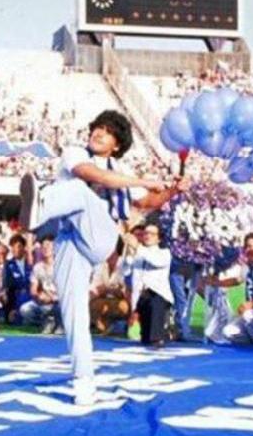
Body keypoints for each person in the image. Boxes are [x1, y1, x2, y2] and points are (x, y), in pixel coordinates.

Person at [18, 110, 187, 405]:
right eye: (96, 127)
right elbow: (91, 174)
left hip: (102, 235)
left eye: (107, 131)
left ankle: (38, 210)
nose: (98, 133)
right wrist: (145, 182)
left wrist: (173, 189)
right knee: (74, 313)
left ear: (117, 144)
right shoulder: (75, 153)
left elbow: (147, 203)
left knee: (78, 193)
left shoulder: (120, 169)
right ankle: (84, 382)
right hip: (69, 238)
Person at [126, 223, 174, 347]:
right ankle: (152, 333)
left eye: (152, 234)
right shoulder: (138, 253)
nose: (147, 236)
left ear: (159, 238)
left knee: (155, 300)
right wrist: (128, 253)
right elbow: (126, 271)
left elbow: (155, 261)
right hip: (141, 298)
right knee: (145, 338)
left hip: (158, 295)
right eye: (145, 233)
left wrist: (137, 247)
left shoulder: (164, 253)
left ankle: (160, 335)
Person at [20, 235, 62, 333]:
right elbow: (33, 290)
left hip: (59, 301)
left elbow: (68, 290)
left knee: (61, 307)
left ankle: (59, 323)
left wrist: (53, 298)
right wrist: (39, 296)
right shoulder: (37, 267)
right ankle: (46, 321)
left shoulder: (61, 266)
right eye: (43, 246)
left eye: (48, 246)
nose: (46, 249)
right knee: (24, 309)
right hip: (44, 300)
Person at [90, 242, 129, 336]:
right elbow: (96, 286)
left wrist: (109, 290)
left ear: (117, 253)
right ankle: (103, 328)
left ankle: (118, 327)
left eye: (111, 252)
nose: (108, 255)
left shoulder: (124, 265)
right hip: (104, 298)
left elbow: (124, 290)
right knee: (92, 304)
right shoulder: (101, 265)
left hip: (122, 300)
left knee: (121, 306)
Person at [2, 234, 33, 324]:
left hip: (31, 295)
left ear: (24, 247)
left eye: (18, 246)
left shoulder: (31, 261)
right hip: (17, 296)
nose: (16, 249)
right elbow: (8, 286)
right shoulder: (8, 264)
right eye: (13, 247)